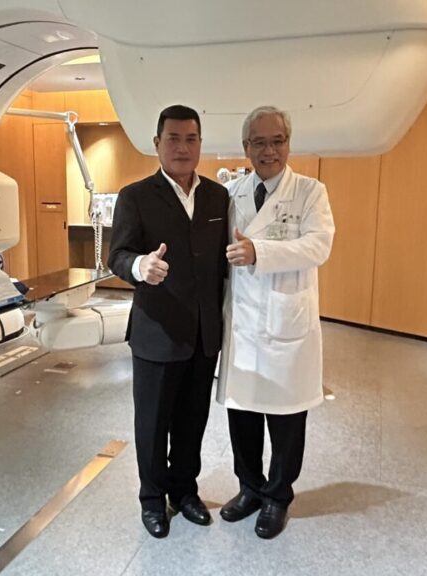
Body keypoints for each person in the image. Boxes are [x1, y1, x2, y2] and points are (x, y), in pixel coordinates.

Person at [108, 105, 230, 538]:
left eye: (191, 139)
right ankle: (151, 498)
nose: (182, 147)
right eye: (173, 139)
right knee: (153, 423)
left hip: (203, 335)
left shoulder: (218, 197)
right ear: (157, 144)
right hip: (156, 333)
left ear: (200, 144)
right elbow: (117, 255)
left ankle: (184, 491)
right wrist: (141, 266)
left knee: (192, 422)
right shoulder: (135, 196)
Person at [217, 106, 335, 539]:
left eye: (277, 141)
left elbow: (319, 246)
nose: (269, 150)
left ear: (288, 143)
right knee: (243, 415)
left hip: (286, 324)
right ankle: (250, 489)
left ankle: (278, 496)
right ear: (246, 147)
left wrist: (259, 253)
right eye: (260, 142)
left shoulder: (309, 192)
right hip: (242, 325)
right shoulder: (230, 193)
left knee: (286, 419)